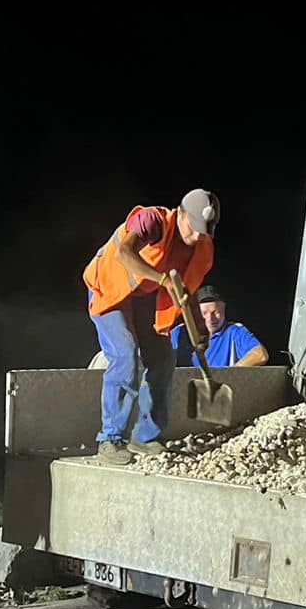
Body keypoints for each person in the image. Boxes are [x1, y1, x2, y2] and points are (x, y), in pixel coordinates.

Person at [81, 188, 218, 464]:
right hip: (107, 288)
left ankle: (144, 436)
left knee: (164, 358)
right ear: (180, 213)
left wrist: (199, 329)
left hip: (142, 297)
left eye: (203, 232)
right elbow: (123, 253)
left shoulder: (202, 248)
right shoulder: (153, 220)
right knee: (125, 355)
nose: (196, 237)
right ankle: (110, 439)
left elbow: (187, 291)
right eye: (192, 228)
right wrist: (163, 280)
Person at [170, 284, 270, 367]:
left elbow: (260, 355)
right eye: (204, 313)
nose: (210, 318)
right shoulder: (179, 332)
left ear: (224, 309)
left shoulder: (234, 332)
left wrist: (228, 375)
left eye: (216, 312)